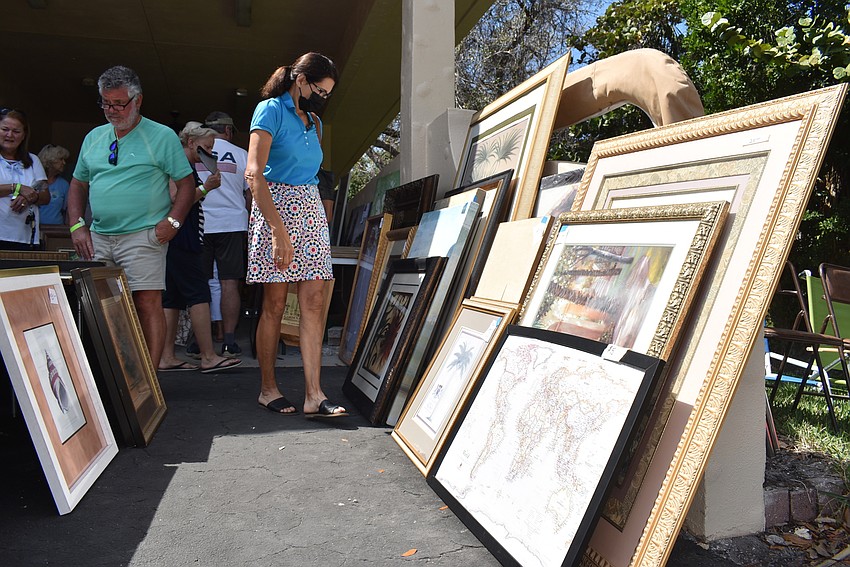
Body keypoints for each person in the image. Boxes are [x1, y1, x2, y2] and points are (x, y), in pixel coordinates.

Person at [67, 65, 196, 369]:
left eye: (119, 103)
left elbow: (187, 184)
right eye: (105, 102)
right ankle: (110, 378)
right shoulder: (94, 137)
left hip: (144, 235)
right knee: (96, 308)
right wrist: (76, 225)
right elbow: (77, 183)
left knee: (146, 303)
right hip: (98, 236)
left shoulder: (161, 136)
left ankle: (149, 387)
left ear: (138, 101)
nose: (111, 110)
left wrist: (173, 223)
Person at [245, 52, 347, 417]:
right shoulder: (269, 110)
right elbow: (254, 173)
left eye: (328, 93)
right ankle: (268, 388)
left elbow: (314, 174)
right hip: (275, 206)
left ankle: (314, 395)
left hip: (310, 208)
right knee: (274, 303)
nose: (322, 97)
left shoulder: (315, 122)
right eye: (319, 89)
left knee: (315, 302)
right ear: (300, 80)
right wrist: (277, 231)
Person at [159, 122, 242, 374]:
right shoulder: (180, 164)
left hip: (178, 236)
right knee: (199, 294)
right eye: (206, 147)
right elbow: (176, 198)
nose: (209, 153)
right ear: (192, 142)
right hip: (183, 237)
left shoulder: (183, 163)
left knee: (171, 299)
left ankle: (166, 356)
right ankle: (207, 356)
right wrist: (206, 187)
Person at [198, 111, 250, 357]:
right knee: (230, 282)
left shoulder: (195, 151)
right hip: (232, 223)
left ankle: (200, 340)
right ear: (228, 131)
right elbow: (251, 195)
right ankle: (229, 340)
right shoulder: (242, 155)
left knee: (200, 281)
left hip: (200, 223)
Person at [0, 108, 49, 250]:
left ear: (24, 135)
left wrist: (29, 197)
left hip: (25, 237)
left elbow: (45, 196)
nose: (10, 135)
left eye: (16, 131)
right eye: (5, 129)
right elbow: (21, 188)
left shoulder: (33, 160)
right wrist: (17, 187)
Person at [37, 144, 71, 225]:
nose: (64, 163)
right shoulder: (35, 181)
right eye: (61, 159)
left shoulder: (64, 185)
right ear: (50, 161)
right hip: (34, 229)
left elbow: (68, 211)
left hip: (57, 230)